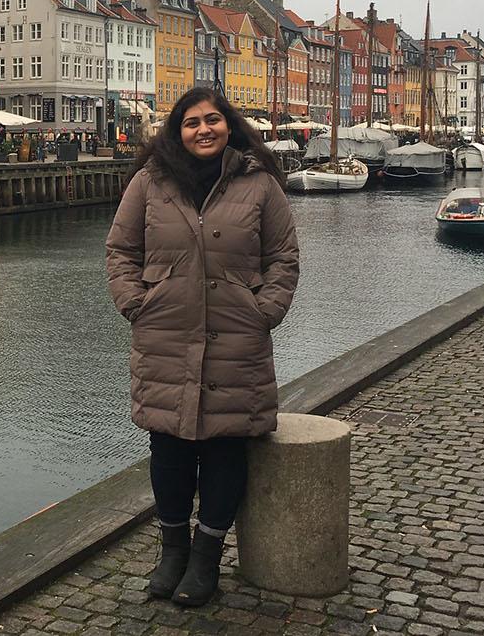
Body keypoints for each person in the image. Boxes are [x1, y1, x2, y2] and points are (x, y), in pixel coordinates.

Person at [104, 86, 299, 608]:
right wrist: (135, 303)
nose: (203, 129)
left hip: (238, 336)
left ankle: (206, 556)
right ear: (177, 131)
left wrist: (266, 311)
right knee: (167, 448)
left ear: (229, 125)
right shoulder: (150, 183)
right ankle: (172, 551)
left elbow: (283, 256)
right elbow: (121, 249)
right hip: (165, 333)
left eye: (213, 119)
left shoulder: (259, 185)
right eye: (192, 122)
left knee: (224, 447)